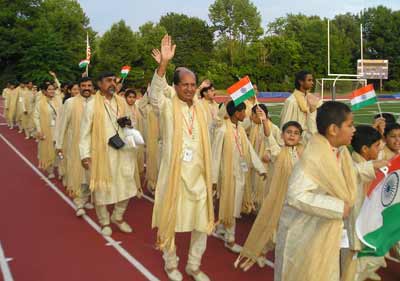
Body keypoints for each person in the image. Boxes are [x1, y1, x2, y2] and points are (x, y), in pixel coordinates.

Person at [150, 35, 214, 281]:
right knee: (171, 222)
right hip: (175, 177)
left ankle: (194, 265)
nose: (189, 88)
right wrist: (164, 64)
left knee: (201, 225)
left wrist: (212, 177)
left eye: (192, 84)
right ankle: (171, 263)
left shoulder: (200, 108)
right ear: (175, 87)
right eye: (184, 84)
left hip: (198, 177)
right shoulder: (166, 107)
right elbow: (155, 95)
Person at [275, 101, 358, 281]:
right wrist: (337, 207)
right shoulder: (313, 157)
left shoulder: (340, 151)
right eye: (350, 125)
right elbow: (295, 195)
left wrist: (373, 167)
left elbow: (344, 176)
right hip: (305, 232)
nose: (354, 130)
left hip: (325, 230)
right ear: (333, 130)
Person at [236, 121, 304, 271]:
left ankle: (287, 260)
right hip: (277, 199)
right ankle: (260, 252)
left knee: (292, 232)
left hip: (295, 201)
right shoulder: (277, 152)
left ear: (300, 138)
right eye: (289, 132)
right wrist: (264, 120)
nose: (292, 135)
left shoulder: (303, 154)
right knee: (272, 228)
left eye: (296, 133)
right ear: (282, 135)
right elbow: (269, 138)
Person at [80, 72, 139, 236]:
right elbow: (84, 132)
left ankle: (118, 216)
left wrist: (128, 124)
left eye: (114, 81)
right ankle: (104, 221)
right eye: (108, 81)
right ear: (99, 84)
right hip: (102, 154)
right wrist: (84, 155)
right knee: (101, 189)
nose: (112, 83)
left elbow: (129, 126)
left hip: (123, 151)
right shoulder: (91, 105)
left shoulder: (122, 102)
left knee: (127, 186)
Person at [212, 100, 267, 253]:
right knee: (232, 205)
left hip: (240, 174)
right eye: (243, 111)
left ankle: (222, 227)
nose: (246, 114)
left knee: (231, 203)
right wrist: (214, 180)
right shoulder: (222, 131)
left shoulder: (241, 130)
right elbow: (215, 156)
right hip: (228, 176)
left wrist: (260, 168)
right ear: (237, 113)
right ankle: (230, 239)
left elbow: (249, 151)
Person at [341, 125, 388, 281]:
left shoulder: (366, 160)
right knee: (353, 260)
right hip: (354, 224)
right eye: (376, 146)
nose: (379, 149)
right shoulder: (351, 166)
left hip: (365, 222)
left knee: (371, 256)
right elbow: (356, 171)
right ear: (365, 149)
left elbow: (377, 159)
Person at [56, 78, 94, 217]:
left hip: (93, 146)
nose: (86, 88)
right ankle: (78, 203)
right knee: (77, 174)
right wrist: (59, 144)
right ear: (79, 87)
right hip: (75, 145)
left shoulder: (97, 102)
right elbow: (62, 124)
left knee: (90, 175)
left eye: (89, 85)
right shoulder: (70, 103)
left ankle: (86, 197)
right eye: (83, 86)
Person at [280, 70, 320, 140]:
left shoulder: (312, 99)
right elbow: (285, 124)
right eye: (309, 80)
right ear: (301, 82)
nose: (312, 83)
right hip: (296, 138)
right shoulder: (291, 101)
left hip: (310, 135)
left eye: (312, 80)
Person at [33, 83, 62, 179]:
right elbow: (36, 117)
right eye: (49, 89)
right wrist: (39, 130)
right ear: (44, 91)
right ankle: (50, 170)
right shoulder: (40, 103)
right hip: (46, 131)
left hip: (58, 130)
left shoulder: (58, 100)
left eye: (53, 89)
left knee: (59, 150)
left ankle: (61, 170)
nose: (52, 91)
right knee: (47, 151)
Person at [124, 89, 145, 179]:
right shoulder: (122, 108)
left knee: (136, 159)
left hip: (136, 137)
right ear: (125, 98)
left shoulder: (137, 108)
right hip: (126, 138)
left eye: (133, 97)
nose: (131, 99)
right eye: (129, 97)